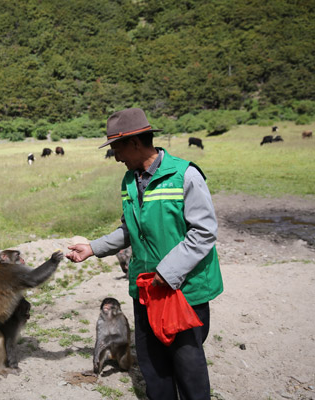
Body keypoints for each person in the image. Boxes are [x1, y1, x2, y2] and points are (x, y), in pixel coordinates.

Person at [66, 108, 223, 400]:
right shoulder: (129, 181)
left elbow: (203, 232)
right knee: (154, 367)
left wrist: (168, 272)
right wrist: (92, 248)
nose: (115, 156)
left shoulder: (184, 174)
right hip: (146, 289)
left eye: (116, 147)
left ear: (136, 143)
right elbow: (129, 230)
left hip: (184, 291)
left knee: (188, 368)